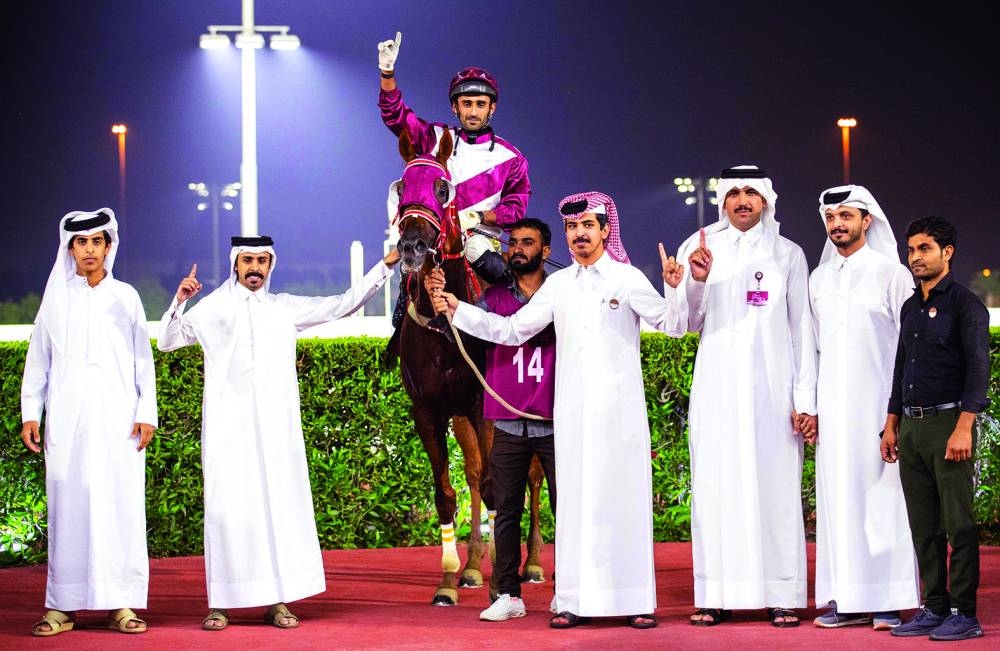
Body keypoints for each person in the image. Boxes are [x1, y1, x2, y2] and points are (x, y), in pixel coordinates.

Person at [431, 191, 685, 630]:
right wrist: (458, 310)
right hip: (571, 418)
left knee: (624, 505)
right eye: (571, 227)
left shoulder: (626, 279)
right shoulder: (559, 286)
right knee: (575, 508)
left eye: (588, 226)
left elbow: (675, 324)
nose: (579, 234)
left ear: (606, 231)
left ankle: (636, 599)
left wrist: (682, 287)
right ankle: (572, 599)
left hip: (621, 419)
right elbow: (511, 331)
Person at [157, 236, 401, 631]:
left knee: (277, 514)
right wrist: (180, 300)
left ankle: (278, 601)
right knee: (228, 515)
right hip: (227, 434)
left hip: (276, 434)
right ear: (236, 264)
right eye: (248, 260)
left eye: (262, 261)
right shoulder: (214, 308)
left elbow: (342, 304)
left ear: (271, 266)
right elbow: (168, 341)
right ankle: (221, 603)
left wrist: (385, 266)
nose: (255, 267)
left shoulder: (283, 308)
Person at [676, 165, 817, 628]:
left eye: (750, 193)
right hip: (716, 389)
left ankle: (782, 594)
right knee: (716, 489)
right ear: (722, 201)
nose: (741, 200)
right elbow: (686, 323)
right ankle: (716, 594)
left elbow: (803, 330)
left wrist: (804, 399)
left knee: (776, 488)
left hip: (773, 392)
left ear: (765, 201)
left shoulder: (788, 254)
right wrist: (695, 280)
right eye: (733, 192)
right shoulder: (698, 247)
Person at [20, 208, 157, 637]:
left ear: (108, 246)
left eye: (97, 241)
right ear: (70, 248)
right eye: (81, 242)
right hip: (67, 423)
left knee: (119, 508)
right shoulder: (56, 300)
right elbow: (38, 359)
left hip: (119, 424)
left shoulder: (127, 297)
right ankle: (63, 608)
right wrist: (31, 411)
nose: (90, 249)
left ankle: (120, 604)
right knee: (70, 509)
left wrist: (146, 412)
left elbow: (142, 361)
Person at [427, 218, 558, 622]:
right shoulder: (492, 300)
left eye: (528, 242)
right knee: (504, 509)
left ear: (546, 251)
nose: (518, 249)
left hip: (555, 419)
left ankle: (570, 590)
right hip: (505, 420)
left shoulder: (564, 293)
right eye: (513, 243)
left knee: (568, 510)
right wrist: (441, 303)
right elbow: (460, 329)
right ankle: (507, 593)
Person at [808, 185, 919, 630]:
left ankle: (888, 599)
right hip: (834, 411)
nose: (837, 224)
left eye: (846, 216)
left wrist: (900, 411)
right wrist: (809, 405)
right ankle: (848, 599)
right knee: (838, 502)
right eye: (830, 217)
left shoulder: (892, 274)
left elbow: (912, 347)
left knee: (883, 501)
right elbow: (812, 350)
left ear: (866, 220)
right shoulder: (819, 279)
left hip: (881, 410)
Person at [881, 216, 990, 642]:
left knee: (958, 524)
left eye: (924, 249)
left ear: (947, 252)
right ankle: (935, 607)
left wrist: (965, 425)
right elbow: (900, 369)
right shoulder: (910, 307)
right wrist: (891, 425)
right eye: (911, 250)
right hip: (912, 427)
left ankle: (965, 613)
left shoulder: (965, 305)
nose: (915, 258)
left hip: (949, 424)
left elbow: (978, 369)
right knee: (923, 525)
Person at [377, 31, 531, 328]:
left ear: (491, 108)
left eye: (480, 104)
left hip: (478, 241)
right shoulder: (433, 138)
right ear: (455, 107)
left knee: (505, 279)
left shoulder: (512, 158)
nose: (473, 111)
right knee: (412, 263)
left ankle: (519, 326)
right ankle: (401, 324)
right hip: (434, 239)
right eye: (466, 103)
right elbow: (395, 116)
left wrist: (478, 216)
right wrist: (387, 74)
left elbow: (516, 210)